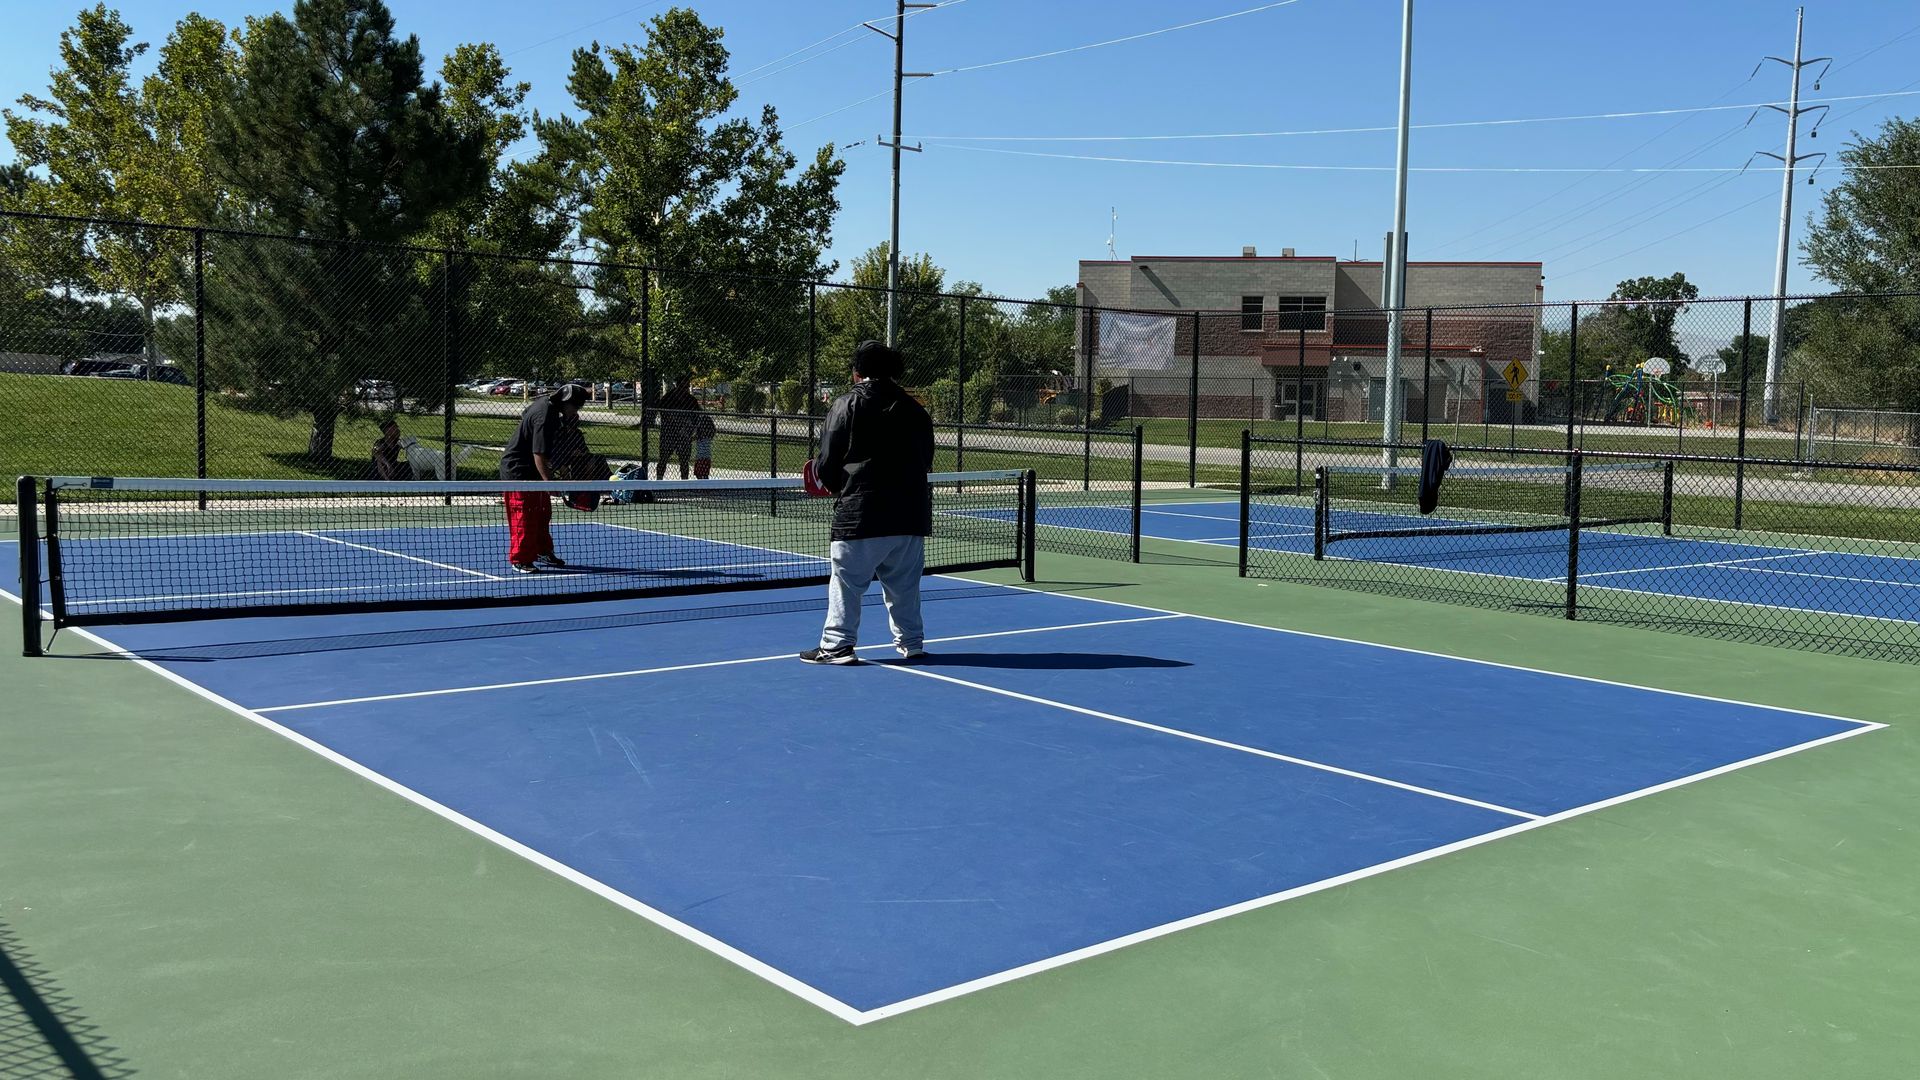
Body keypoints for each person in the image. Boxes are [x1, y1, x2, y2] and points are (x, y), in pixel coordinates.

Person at [798, 340, 935, 665]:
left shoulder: (846, 404)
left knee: (846, 585)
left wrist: (833, 485)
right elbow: (926, 461)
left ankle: (837, 646)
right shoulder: (915, 410)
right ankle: (912, 643)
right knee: (905, 587)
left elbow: (827, 463)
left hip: (860, 516)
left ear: (857, 372)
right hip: (910, 516)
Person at [499, 383, 591, 573]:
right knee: (524, 516)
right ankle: (521, 559)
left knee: (542, 513)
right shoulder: (545, 416)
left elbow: (526, 415)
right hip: (518, 472)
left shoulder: (547, 407)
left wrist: (556, 473)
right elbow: (539, 453)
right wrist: (549, 483)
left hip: (534, 471)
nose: (576, 410)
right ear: (565, 402)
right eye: (576, 406)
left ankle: (542, 551)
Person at [654, 376, 701, 479]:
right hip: (668, 433)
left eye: (687, 386)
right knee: (663, 459)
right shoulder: (668, 397)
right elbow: (662, 411)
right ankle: (659, 480)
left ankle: (684, 482)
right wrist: (674, 421)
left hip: (684, 434)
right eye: (683, 386)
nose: (685, 389)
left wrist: (688, 428)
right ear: (677, 385)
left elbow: (697, 416)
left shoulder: (691, 400)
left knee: (684, 461)